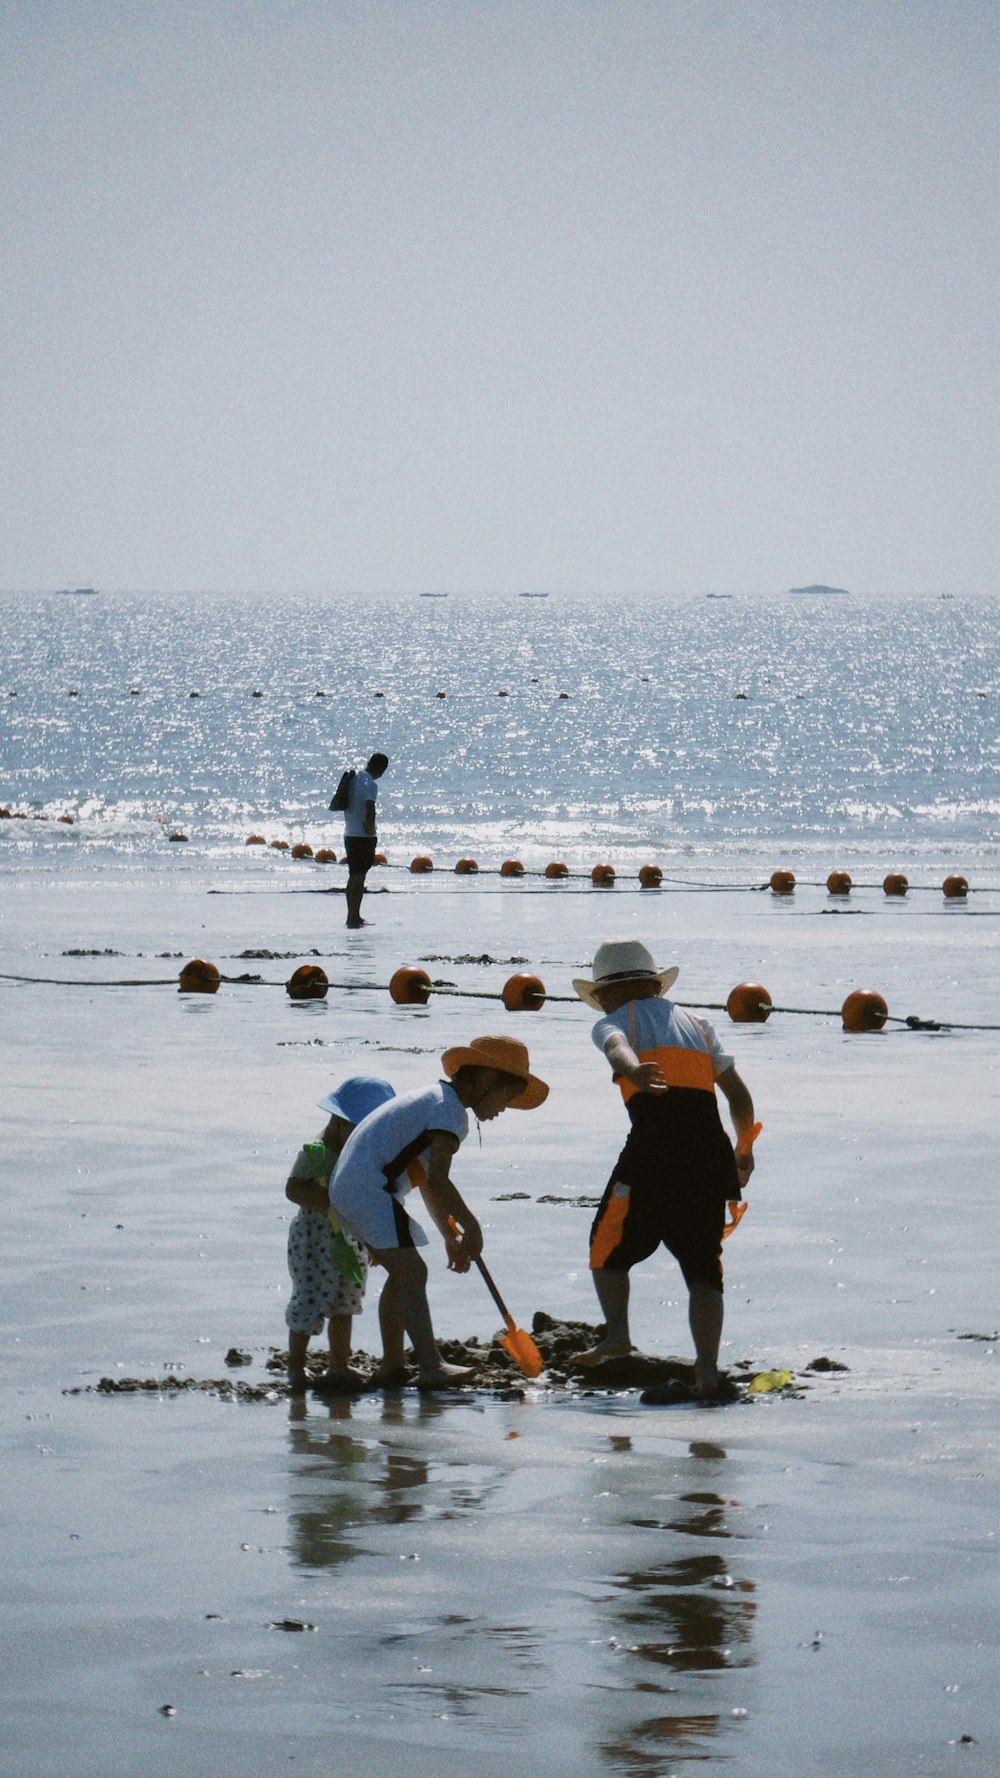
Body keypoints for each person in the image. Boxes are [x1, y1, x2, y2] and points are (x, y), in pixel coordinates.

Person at [571, 938, 757, 1403]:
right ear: (656, 985)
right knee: (703, 1268)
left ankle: (617, 1336)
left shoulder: (613, 1022)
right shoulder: (699, 1023)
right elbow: (737, 1094)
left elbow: (616, 1049)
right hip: (709, 1154)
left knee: (605, 1245)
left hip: (654, 1148)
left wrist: (631, 1072)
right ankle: (708, 1372)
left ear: (608, 993)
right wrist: (744, 1146)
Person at [329, 1035, 548, 1389]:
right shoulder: (450, 1111)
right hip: (368, 1190)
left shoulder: (434, 1099)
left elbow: (427, 1183)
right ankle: (431, 1366)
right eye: (507, 1097)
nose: (505, 1108)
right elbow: (440, 1180)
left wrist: (449, 1234)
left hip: (352, 1188)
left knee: (405, 1274)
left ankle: (394, 1364)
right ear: (488, 1079)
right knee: (412, 1273)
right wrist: (472, 1227)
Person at [284, 1074, 396, 1393]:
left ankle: (338, 1364)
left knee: (346, 1300)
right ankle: (295, 1365)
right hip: (314, 1236)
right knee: (310, 1297)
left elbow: (372, 1199)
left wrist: (374, 1242)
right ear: (339, 1122)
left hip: (350, 1237)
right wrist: (332, 1199)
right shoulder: (316, 1151)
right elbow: (293, 1189)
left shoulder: (363, 1156)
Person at [341, 751, 389, 928]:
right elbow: (370, 807)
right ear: (381, 769)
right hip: (363, 835)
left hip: (349, 833)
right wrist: (371, 828)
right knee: (360, 876)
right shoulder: (370, 783)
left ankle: (351, 914)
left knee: (353, 875)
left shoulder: (355, 778)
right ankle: (355, 916)